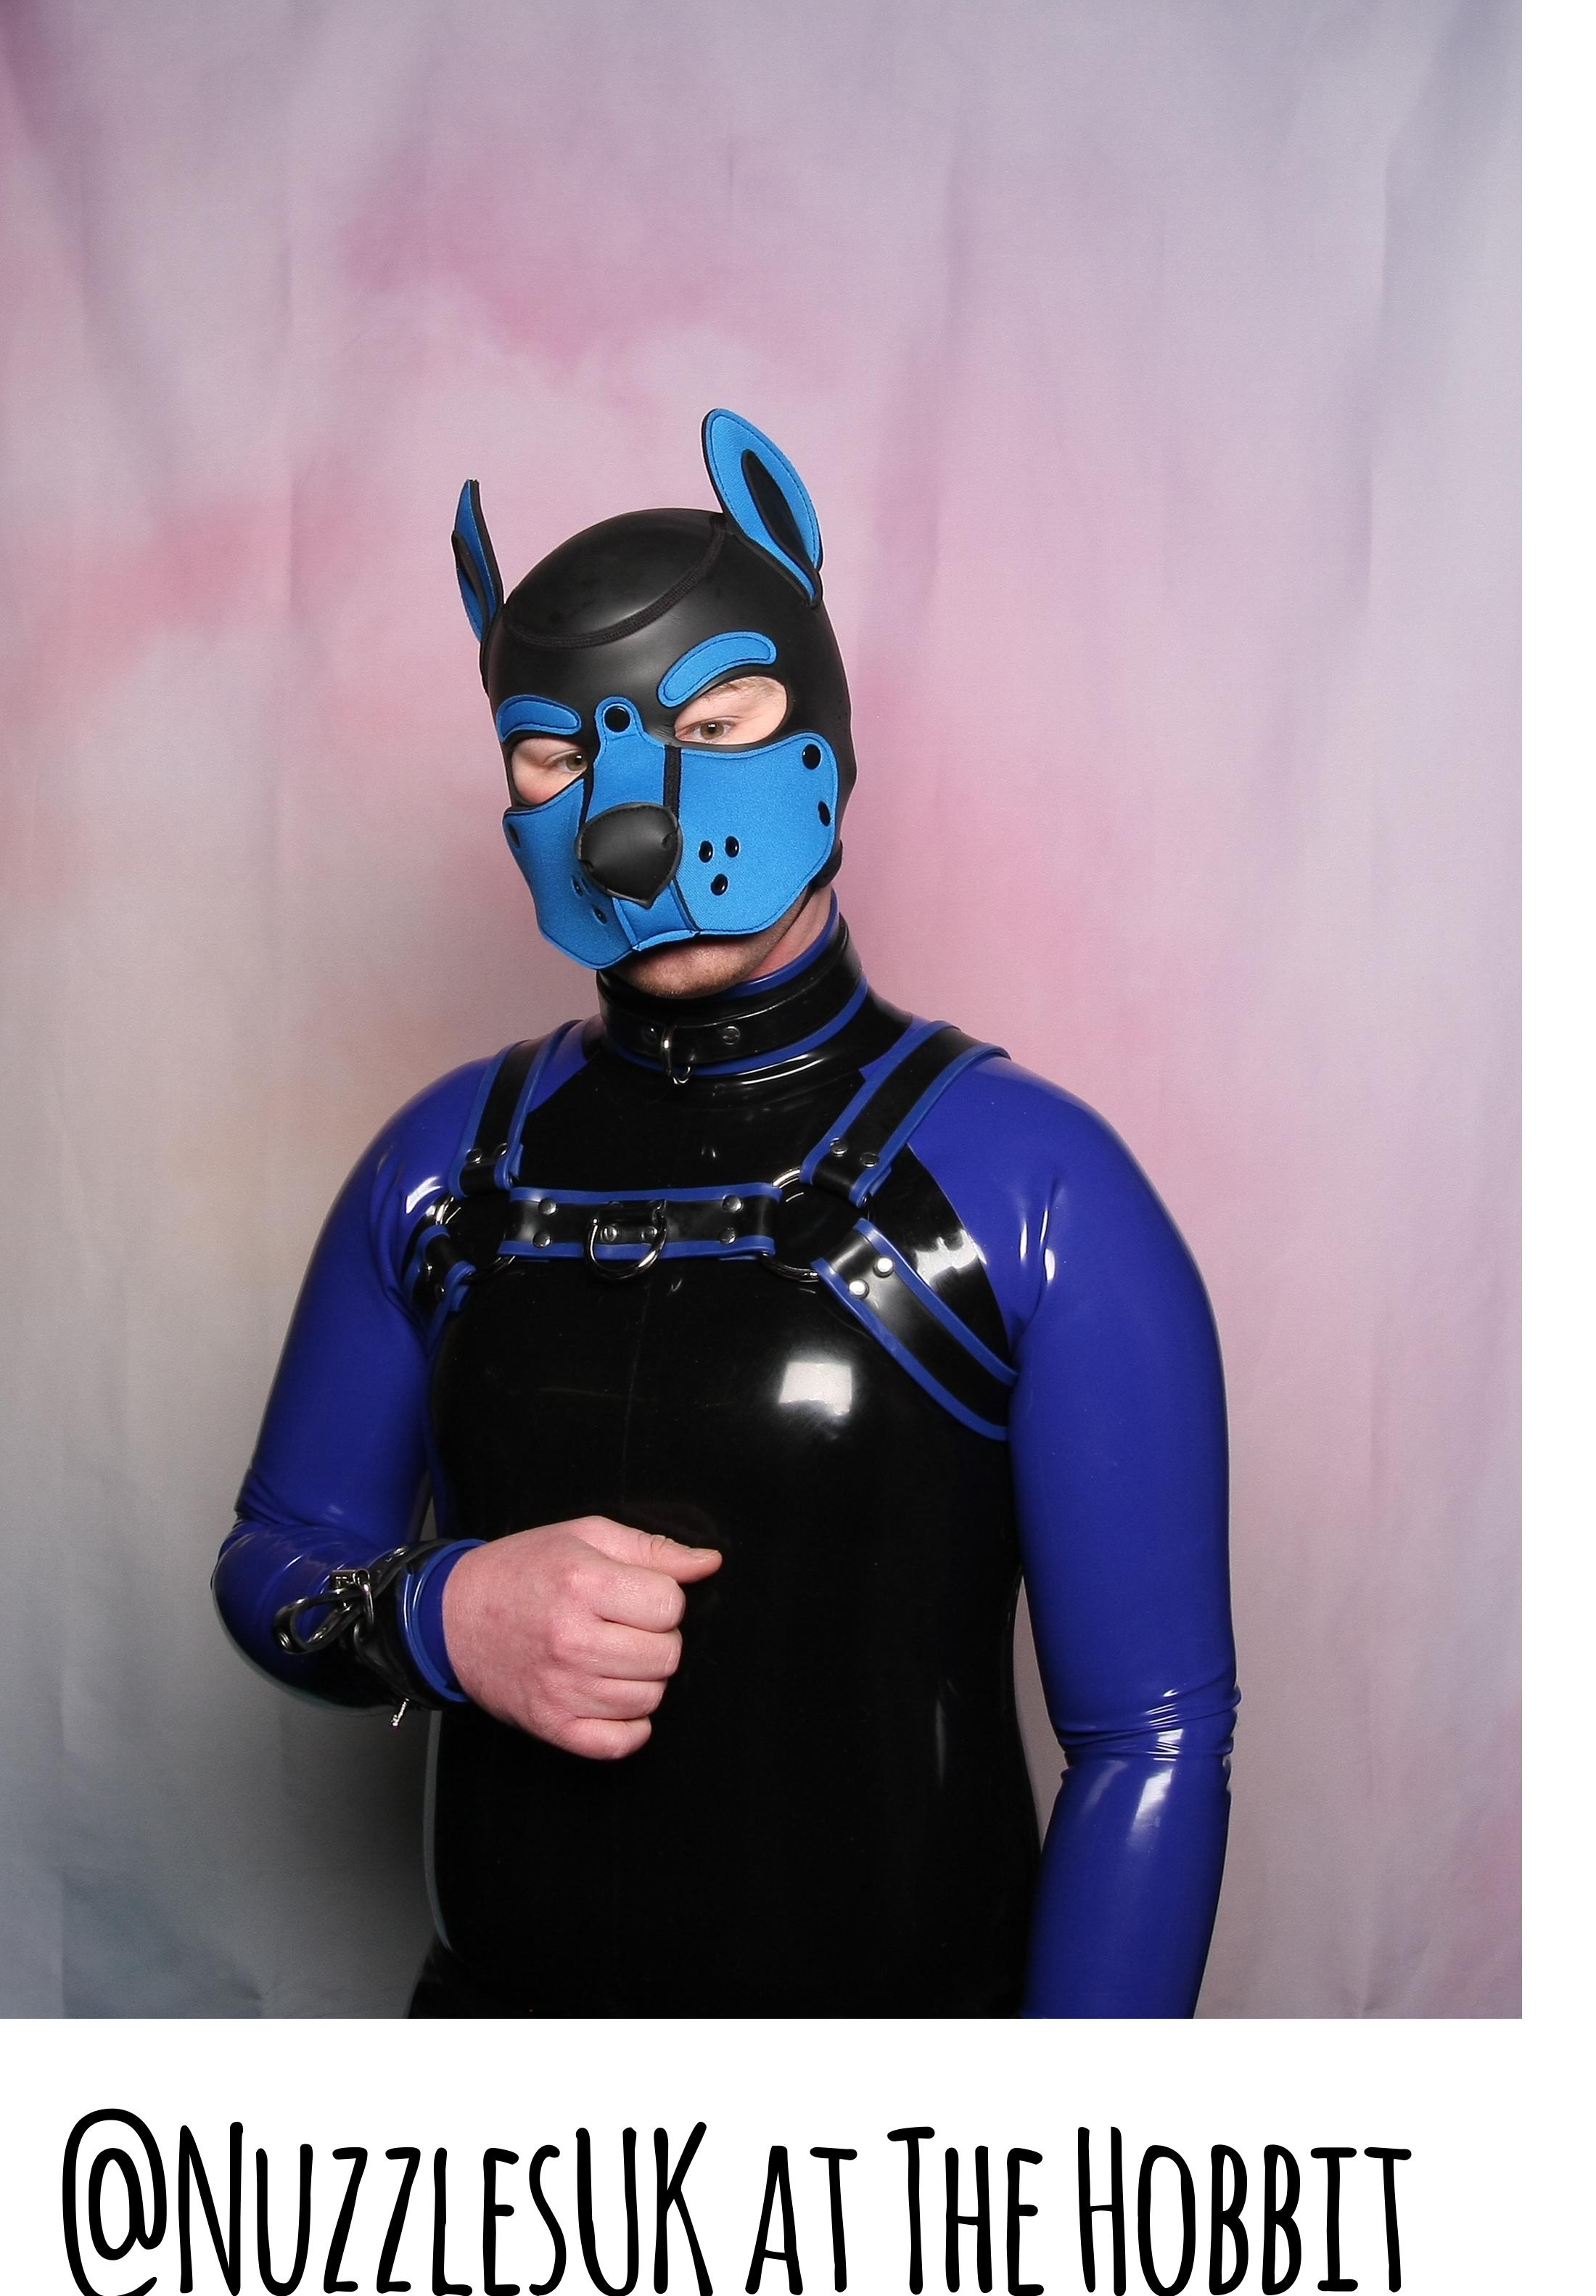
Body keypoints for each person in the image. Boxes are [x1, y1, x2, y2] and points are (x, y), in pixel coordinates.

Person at [213, 410, 1238, 2018]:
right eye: (556, 756)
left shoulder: (1034, 1188)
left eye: (714, 721)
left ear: (818, 730)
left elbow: (1151, 1742)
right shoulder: (444, 1167)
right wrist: (435, 1615)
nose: (629, 815)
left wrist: (1063, 2147)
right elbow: (275, 1558)